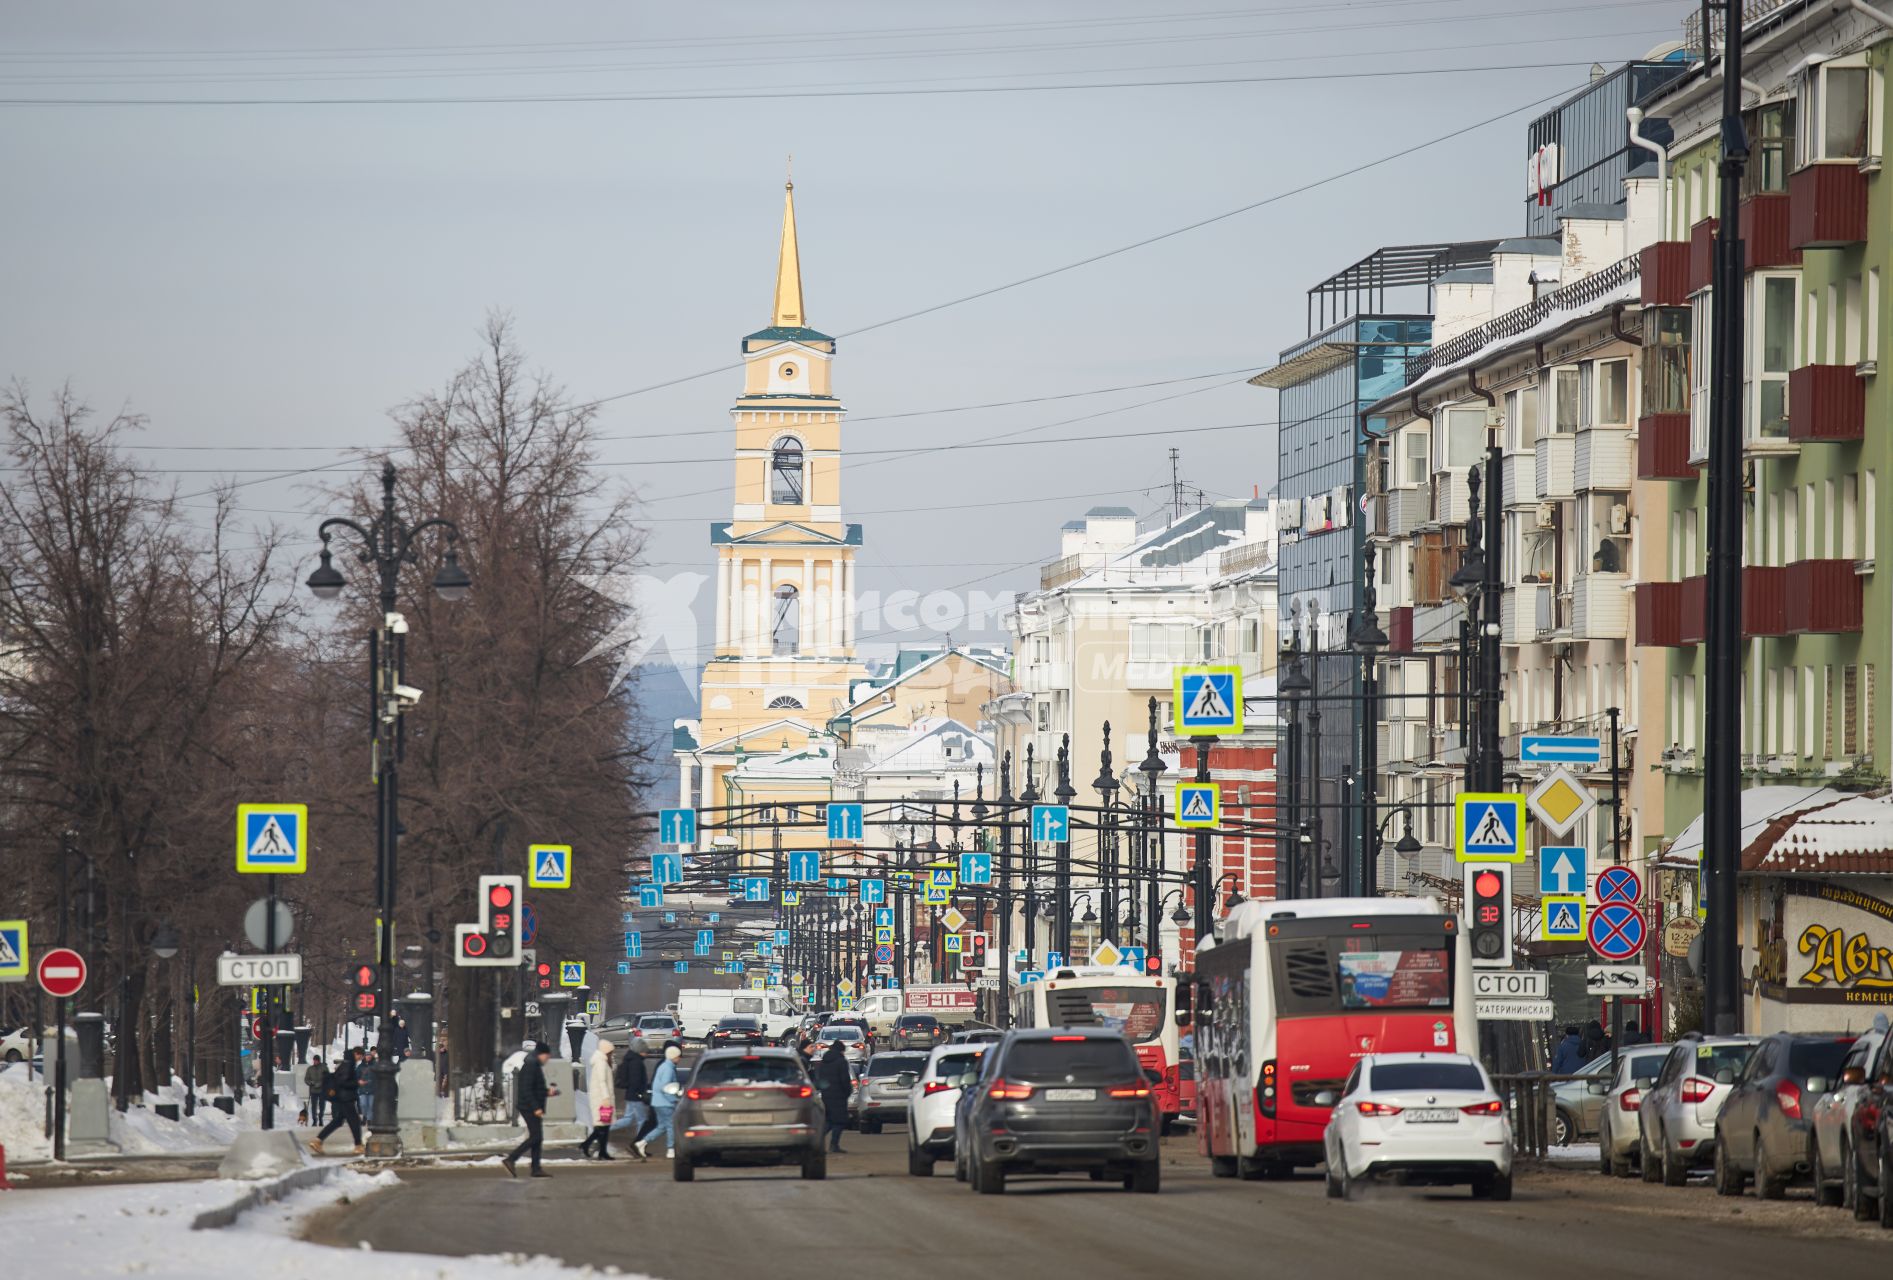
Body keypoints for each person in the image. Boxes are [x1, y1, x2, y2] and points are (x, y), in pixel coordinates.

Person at [503, 1042, 555, 1178]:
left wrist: (546, 1092)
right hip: (529, 1107)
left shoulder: (534, 1064)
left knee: (537, 1137)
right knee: (536, 1136)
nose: (547, 1060)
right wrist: (536, 1107)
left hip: (531, 1105)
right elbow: (526, 1090)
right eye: (547, 1057)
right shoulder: (532, 1065)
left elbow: (534, 1088)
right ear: (541, 1054)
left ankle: (536, 1168)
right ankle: (511, 1159)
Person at [308, 1047, 365, 1155]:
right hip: (346, 1098)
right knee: (355, 1121)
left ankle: (318, 1141)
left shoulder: (346, 1063)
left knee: (338, 1121)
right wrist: (357, 1083)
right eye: (360, 1056)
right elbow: (342, 1082)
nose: (359, 1059)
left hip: (343, 1097)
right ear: (357, 1054)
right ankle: (358, 1146)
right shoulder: (349, 1064)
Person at [611, 1046, 655, 1159]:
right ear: (640, 1051)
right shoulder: (637, 1062)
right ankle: (639, 1143)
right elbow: (636, 1080)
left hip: (631, 1095)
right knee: (642, 1120)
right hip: (636, 1096)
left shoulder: (631, 1060)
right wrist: (640, 1093)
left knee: (628, 1119)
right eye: (645, 1051)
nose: (647, 1053)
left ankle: (602, 1129)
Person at [578, 1038, 618, 1161]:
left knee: (603, 1126)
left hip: (602, 1097)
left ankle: (598, 1150)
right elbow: (602, 1082)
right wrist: (606, 1097)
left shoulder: (602, 1061)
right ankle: (598, 1150)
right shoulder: (601, 1063)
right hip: (601, 1098)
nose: (613, 1054)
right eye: (611, 1052)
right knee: (602, 1127)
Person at [650, 1044, 685, 1159]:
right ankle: (670, 1149)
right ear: (673, 1057)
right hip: (664, 1102)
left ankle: (642, 1142)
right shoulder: (668, 1069)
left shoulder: (665, 1066)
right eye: (678, 1056)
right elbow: (665, 1087)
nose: (680, 1059)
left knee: (662, 1127)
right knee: (670, 1126)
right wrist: (674, 1100)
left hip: (658, 1101)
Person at [816, 1041, 851, 1153]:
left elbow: (820, 1079)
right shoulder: (841, 1062)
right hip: (839, 1095)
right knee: (840, 1121)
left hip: (826, 1095)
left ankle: (816, 1140)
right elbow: (845, 1080)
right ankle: (833, 1144)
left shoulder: (823, 1062)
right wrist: (847, 1092)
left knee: (830, 1120)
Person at [304, 1058, 329, 1127]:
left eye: (316, 1060)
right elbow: (306, 1079)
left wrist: (320, 1084)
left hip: (322, 1090)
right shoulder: (310, 1069)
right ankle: (314, 1120)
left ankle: (320, 1118)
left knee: (322, 1105)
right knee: (313, 1106)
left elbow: (327, 1078)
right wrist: (310, 1082)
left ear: (319, 1061)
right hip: (313, 1090)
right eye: (314, 1060)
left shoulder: (324, 1068)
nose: (315, 1062)